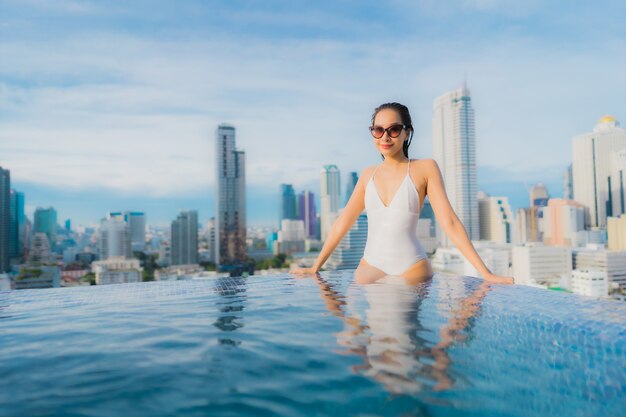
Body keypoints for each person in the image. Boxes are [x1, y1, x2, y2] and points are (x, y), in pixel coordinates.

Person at [293, 102, 514, 285]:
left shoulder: (425, 168)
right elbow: (343, 222)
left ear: (407, 132)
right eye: (378, 130)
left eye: (394, 129)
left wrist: (485, 274)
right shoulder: (367, 174)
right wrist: (315, 266)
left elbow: (450, 222)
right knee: (363, 334)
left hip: (412, 267)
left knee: (406, 334)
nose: (385, 137)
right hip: (370, 266)